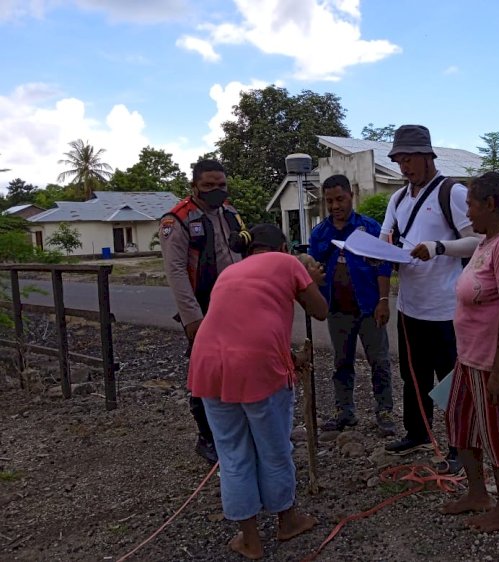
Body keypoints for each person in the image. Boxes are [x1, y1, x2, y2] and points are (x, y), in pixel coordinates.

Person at [188, 224, 328, 560]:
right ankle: (287, 521)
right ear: (282, 245)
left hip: (208, 364)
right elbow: (320, 311)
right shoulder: (288, 262)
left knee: (233, 453)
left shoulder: (230, 272)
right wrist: (315, 282)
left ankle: (249, 539)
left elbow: (245, 321)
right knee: (274, 448)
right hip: (256, 367)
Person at [379, 124, 480, 472]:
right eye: (399, 160)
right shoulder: (397, 198)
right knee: (413, 374)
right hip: (410, 305)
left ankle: (459, 444)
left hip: (446, 307)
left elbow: (478, 240)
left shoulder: (451, 192)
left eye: (409, 159)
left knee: (451, 379)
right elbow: (386, 239)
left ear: (427, 156)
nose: (404, 167)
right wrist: (378, 249)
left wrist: (439, 248)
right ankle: (417, 432)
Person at [440, 171, 499, 532]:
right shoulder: (486, 242)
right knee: (459, 423)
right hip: (469, 357)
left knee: (496, 431)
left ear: (490, 205)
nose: (468, 214)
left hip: (493, 362)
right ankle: (478, 494)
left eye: (471, 205)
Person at [159, 158, 251, 464]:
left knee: (238, 364)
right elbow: (175, 272)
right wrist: (192, 319)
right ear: (195, 186)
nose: (216, 190)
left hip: (236, 305)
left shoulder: (231, 214)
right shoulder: (178, 220)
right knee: (206, 370)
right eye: (209, 185)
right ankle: (206, 436)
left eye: (221, 185)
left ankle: (235, 429)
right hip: (203, 306)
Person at [308, 174, 395, 435]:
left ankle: (385, 411)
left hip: (369, 307)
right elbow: (313, 269)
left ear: (351, 196)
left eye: (340, 199)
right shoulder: (320, 233)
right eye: (330, 201)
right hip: (337, 310)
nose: (335, 206)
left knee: (379, 361)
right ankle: (344, 412)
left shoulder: (369, 228)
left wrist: (383, 301)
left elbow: (383, 265)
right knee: (341, 362)